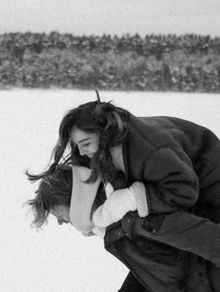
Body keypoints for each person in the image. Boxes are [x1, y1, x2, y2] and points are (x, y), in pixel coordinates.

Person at [27, 94, 220, 291]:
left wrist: (132, 198)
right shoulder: (120, 214)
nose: (60, 222)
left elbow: (185, 196)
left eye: (59, 215)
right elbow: (152, 269)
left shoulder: (148, 157)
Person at [26, 163, 220, 292]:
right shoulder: (113, 226)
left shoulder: (135, 215)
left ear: (76, 200)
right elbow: (152, 265)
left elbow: (207, 240)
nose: (61, 222)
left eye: (60, 215)